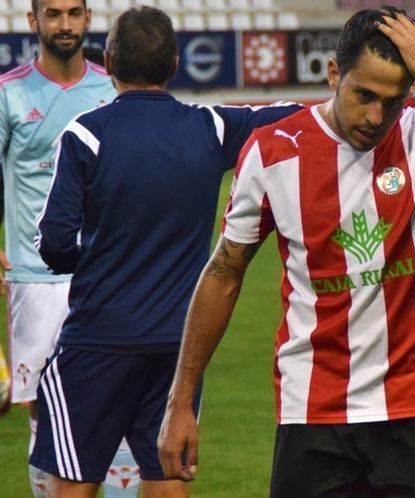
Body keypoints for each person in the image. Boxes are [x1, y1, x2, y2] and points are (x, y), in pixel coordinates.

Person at [158, 7, 415, 498]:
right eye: (363, 95)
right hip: (314, 410)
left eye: (392, 102)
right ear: (333, 74)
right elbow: (224, 273)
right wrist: (181, 401)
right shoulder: (272, 152)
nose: (375, 117)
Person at [30, 5, 305, 497]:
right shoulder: (211, 128)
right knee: (165, 474)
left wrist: (93, 260)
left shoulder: (86, 135)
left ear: (108, 61)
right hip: (179, 343)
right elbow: (292, 115)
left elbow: (54, 242)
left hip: (100, 336)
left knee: (75, 478)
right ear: (175, 64)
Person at [0, 0, 142, 496]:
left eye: (75, 13)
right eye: (54, 13)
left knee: (120, 399)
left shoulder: (113, 88)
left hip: (109, 275)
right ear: (32, 21)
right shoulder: (9, 94)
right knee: (42, 408)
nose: (65, 24)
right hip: (35, 279)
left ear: (88, 19)